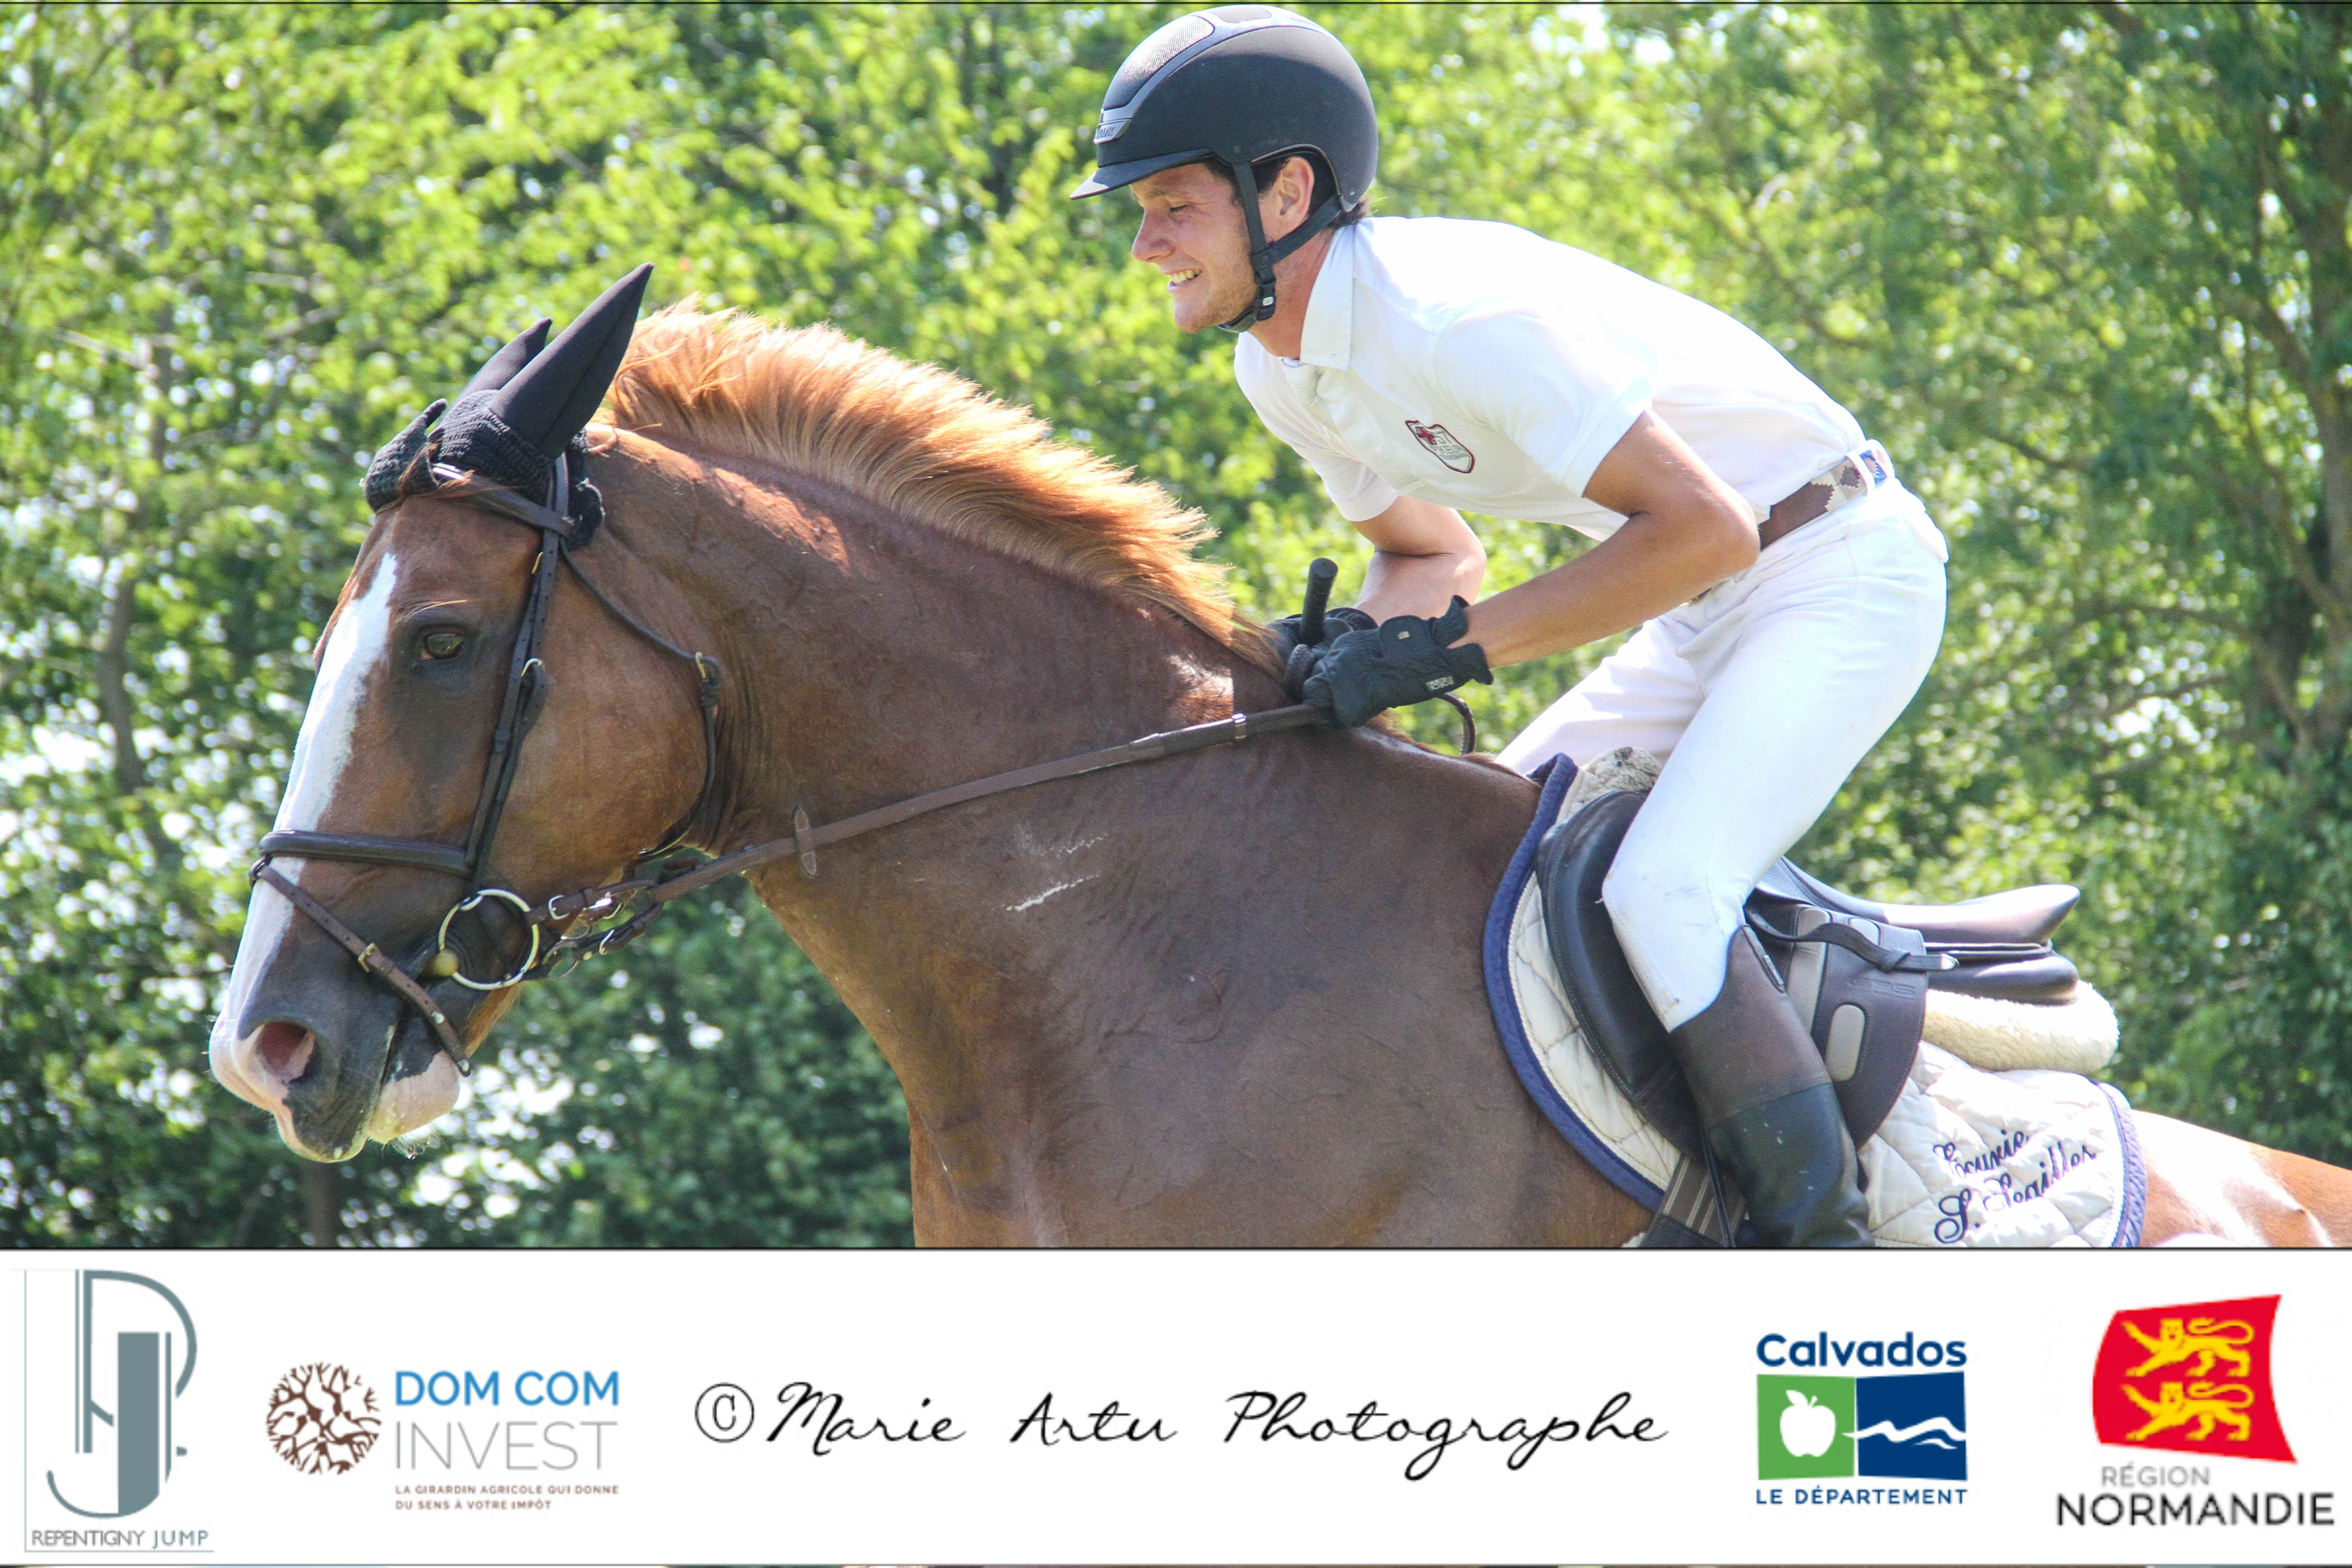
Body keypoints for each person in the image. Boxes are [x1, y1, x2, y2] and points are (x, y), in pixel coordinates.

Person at [1070, 6, 1950, 1248]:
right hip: (1707, 606)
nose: (1146, 243)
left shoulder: (1454, 319)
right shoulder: (1280, 367)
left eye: (1172, 206)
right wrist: (1348, 652)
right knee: (1477, 870)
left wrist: (1449, 649)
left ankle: (1822, 1241)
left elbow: (1707, 530)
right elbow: (1429, 557)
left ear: (1287, 194)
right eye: (1142, 211)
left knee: (1662, 890)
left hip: (1840, 568)